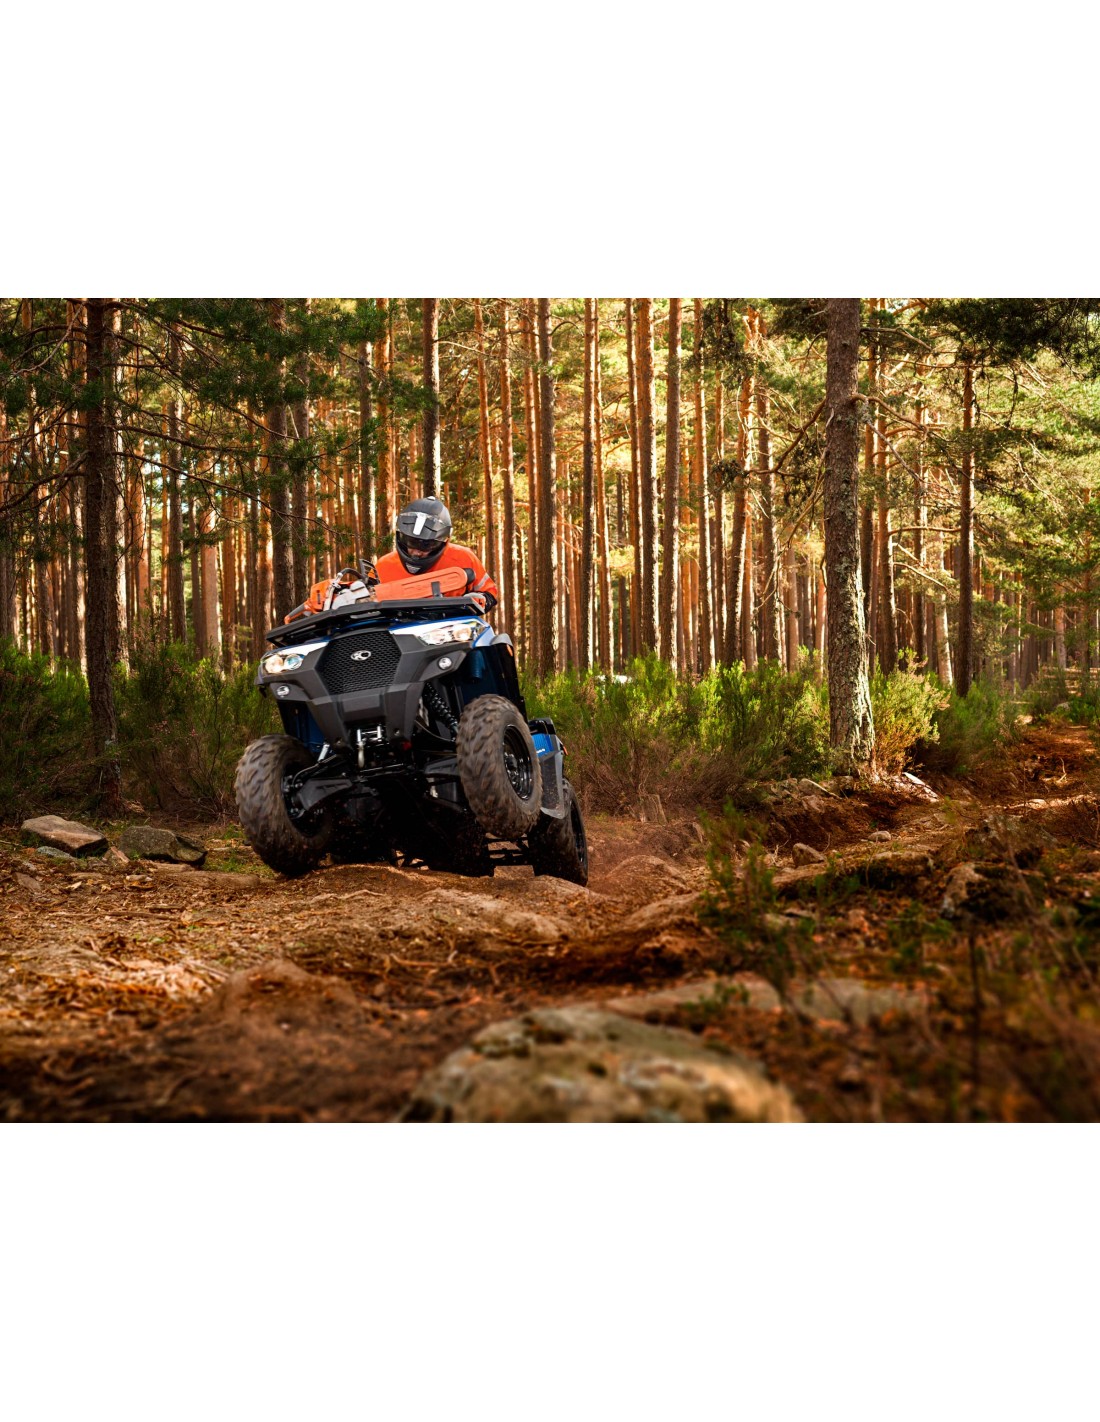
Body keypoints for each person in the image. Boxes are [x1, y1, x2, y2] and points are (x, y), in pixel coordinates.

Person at [289, 497, 498, 621]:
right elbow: (366, 596)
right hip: (398, 637)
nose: (416, 552)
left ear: (442, 541)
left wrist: (479, 600)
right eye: (411, 542)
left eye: (425, 545)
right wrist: (336, 594)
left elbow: (489, 592)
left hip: (452, 632)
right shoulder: (384, 565)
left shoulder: (463, 558)